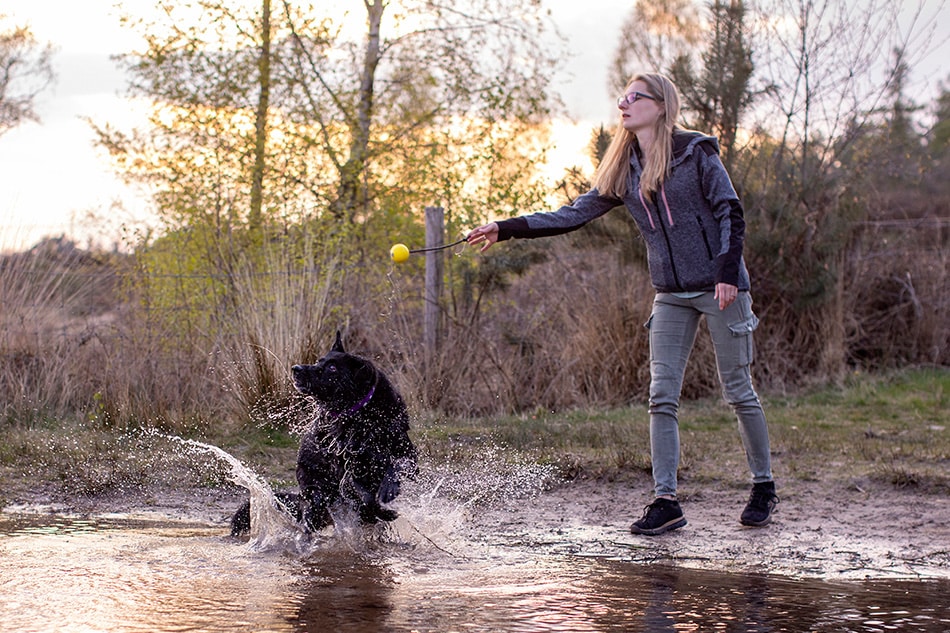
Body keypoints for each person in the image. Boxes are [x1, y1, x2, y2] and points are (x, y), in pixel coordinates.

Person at [467, 72, 778, 536]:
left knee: (737, 389)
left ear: (661, 104)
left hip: (720, 288)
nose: (624, 104)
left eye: (635, 97)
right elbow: (570, 215)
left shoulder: (696, 153)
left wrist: (727, 273)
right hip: (671, 292)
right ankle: (665, 501)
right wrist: (504, 226)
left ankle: (763, 487)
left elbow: (730, 210)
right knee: (661, 396)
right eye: (622, 97)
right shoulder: (624, 167)